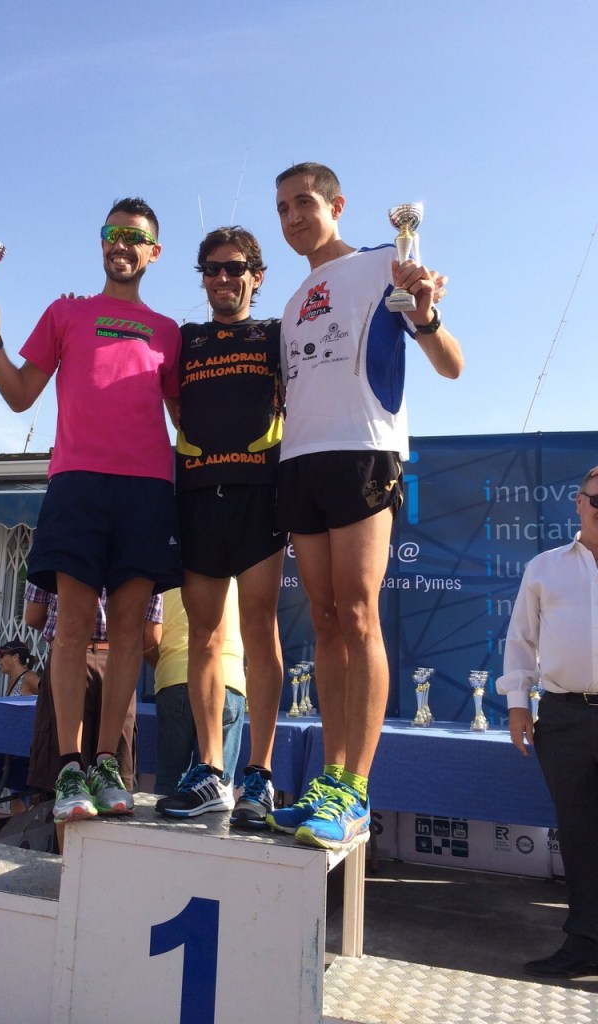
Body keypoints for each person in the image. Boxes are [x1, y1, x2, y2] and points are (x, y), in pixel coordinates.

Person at [0, 197, 182, 825]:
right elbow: (21, 396)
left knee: (129, 632)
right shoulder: (66, 312)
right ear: (101, 242)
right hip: (78, 482)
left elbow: (189, 421)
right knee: (73, 627)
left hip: (146, 488)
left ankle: (108, 761)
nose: (123, 245)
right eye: (113, 234)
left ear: (153, 252)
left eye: (135, 238)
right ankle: (71, 768)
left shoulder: (168, 331)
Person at [266, 162, 464, 851]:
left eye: (304, 204)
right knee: (322, 620)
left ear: (337, 204)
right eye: (283, 207)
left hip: (364, 452)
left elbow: (451, 364)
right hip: (301, 462)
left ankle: (355, 789)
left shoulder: (388, 262)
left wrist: (428, 312)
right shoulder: (291, 303)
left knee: (356, 612)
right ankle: (329, 779)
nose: (292, 217)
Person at [156, 227, 286, 829]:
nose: (223, 280)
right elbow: (168, 401)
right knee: (205, 636)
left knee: (259, 628)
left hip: (260, 494)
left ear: (255, 275)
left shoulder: (276, 335)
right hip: (199, 494)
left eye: (235, 269)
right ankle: (211, 771)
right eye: (211, 270)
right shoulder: (184, 340)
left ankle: (258, 774)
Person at [497, 467, 598, 978]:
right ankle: (584, 944)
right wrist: (518, 703)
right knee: (579, 834)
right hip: (564, 715)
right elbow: (521, 639)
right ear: (579, 504)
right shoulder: (544, 568)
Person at [24, 583, 162, 793]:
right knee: (113, 776)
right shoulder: (144, 553)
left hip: (67, 658)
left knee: (61, 771)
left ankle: (65, 808)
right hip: (118, 661)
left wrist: (66, 633)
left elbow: (33, 616)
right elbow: (152, 636)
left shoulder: (63, 550)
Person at [152, 584, 245, 796]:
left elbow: (150, 636)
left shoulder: (164, 578)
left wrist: (171, 667)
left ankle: (160, 829)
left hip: (175, 676)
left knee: (169, 785)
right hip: (228, 679)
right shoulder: (236, 577)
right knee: (218, 785)